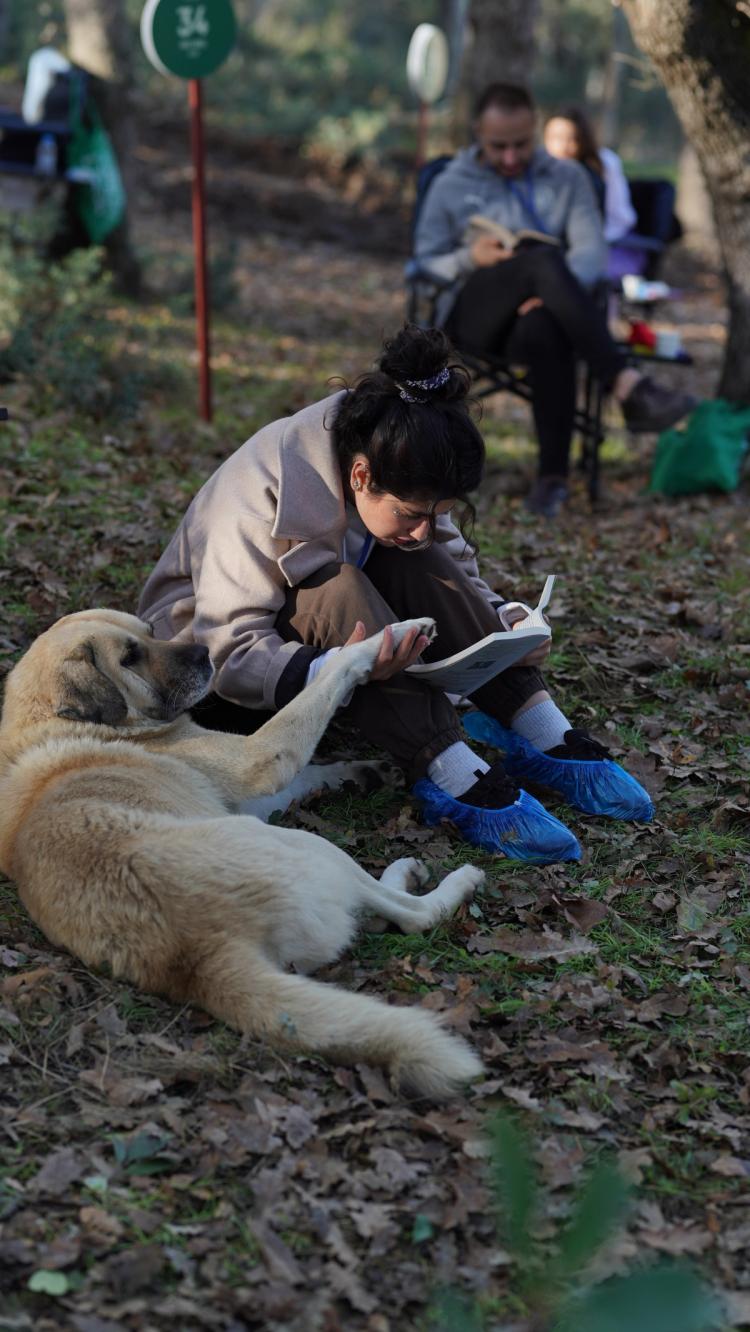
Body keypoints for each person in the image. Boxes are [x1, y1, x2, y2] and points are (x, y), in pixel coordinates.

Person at [138, 325, 653, 867]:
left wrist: (505, 619)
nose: (425, 526)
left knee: (416, 554)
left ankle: (544, 732)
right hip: (214, 691)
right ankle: (450, 770)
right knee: (339, 584)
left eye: (440, 513)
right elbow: (225, 652)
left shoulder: (400, 456)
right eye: (413, 512)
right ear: (361, 475)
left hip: (316, 658)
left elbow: (451, 566)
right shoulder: (258, 489)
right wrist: (337, 668)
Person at [413, 83, 695, 518]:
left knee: (545, 320)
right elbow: (425, 261)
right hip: (471, 315)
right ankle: (625, 383)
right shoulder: (450, 183)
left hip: (543, 316)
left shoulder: (569, 178)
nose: (511, 157)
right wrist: (471, 257)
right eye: (499, 146)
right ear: (478, 133)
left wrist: (546, 293)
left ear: (535, 129)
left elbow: (591, 256)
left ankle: (551, 480)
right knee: (542, 260)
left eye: (521, 144)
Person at [543, 106, 637, 246]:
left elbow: (619, 217)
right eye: (555, 138)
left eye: (571, 139)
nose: (562, 147)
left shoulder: (600, 167)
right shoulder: (539, 169)